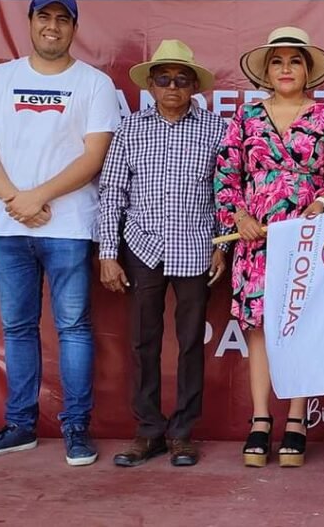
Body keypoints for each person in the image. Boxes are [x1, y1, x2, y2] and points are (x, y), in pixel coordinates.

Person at [0, 0, 121, 465]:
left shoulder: (93, 83)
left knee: (73, 328)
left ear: (74, 27)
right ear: (31, 22)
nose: (52, 26)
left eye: (62, 19)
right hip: (9, 227)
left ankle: (76, 428)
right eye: (44, 17)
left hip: (68, 227)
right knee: (17, 329)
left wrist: (38, 197)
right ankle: (20, 425)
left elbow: (93, 156)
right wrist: (17, 201)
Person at [214, 26, 324, 468]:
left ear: (307, 70)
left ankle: (296, 417)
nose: (286, 68)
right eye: (277, 61)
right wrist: (239, 217)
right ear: (267, 71)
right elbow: (226, 176)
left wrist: (321, 203)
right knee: (258, 329)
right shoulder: (246, 118)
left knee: (300, 324)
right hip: (255, 239)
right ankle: (260, 419)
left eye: (295, 61)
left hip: (305, 240)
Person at [97, 40, 228, 467]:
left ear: (195, 86)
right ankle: (149, 431)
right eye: (164, 79)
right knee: (143, 342)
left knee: (190, 344)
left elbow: (225, 192)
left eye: (181, 79)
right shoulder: (130, 130)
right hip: (142, 246)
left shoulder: (215, 129)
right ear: (150, 85)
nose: (172, 86)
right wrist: (108, 253)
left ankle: (183, 433)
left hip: (195, 246)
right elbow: (112, 193)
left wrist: (222, 246)